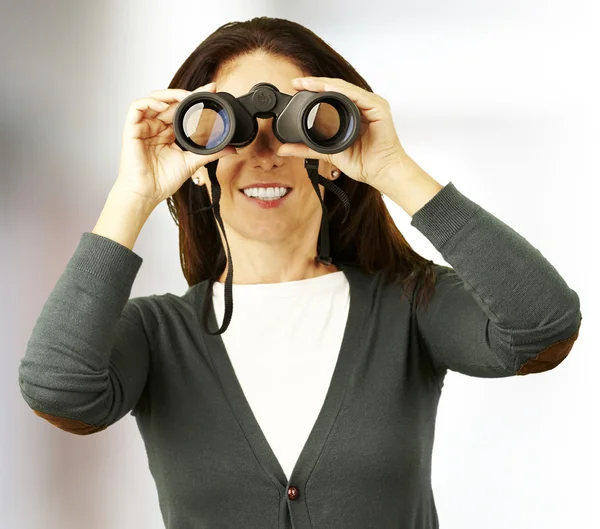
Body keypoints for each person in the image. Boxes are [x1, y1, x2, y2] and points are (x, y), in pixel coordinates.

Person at [17, 16, 582, 529]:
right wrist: (133, 193)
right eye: (229, 126)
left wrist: (390, 167)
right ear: (194, 160)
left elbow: (542, 323)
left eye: (293, 126)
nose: (265, 152)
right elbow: (59, 389)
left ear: (331, 151)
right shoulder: (158, 334)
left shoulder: (409, 307)